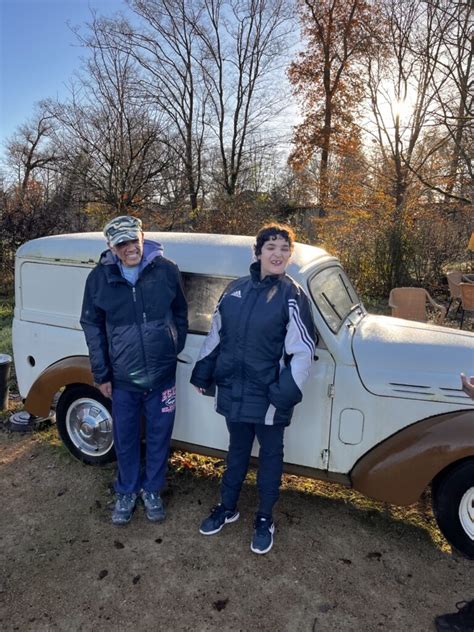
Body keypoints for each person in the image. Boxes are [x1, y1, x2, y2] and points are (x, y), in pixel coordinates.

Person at [191, 223, 316, 554]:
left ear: (290, 254)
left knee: (271, 458)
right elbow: (217, 335)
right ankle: (227, 506)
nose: (278, 254)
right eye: (271, 247)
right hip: (234, 390)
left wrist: (283, 393)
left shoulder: (292, 296)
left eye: (284, 248)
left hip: (269, 397)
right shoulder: (235, 290)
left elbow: (303, 351)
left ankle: (264, 517)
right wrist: (203, 373)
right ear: (257, 252)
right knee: (236, 452)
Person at [81, 215, 188, 525]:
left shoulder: (166, 270)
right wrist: (101, 374)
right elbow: (92, 326)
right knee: (125, 436)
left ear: (143, 237)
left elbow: (180, 311)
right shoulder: (99, 279)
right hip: (123, 378)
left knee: (159, 434)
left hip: (163, 374)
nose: (130, 248)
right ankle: (126, 490)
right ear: (112, 247)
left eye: (134, 240)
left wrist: (173, 345)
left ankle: (153, 489)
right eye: (122, 243)